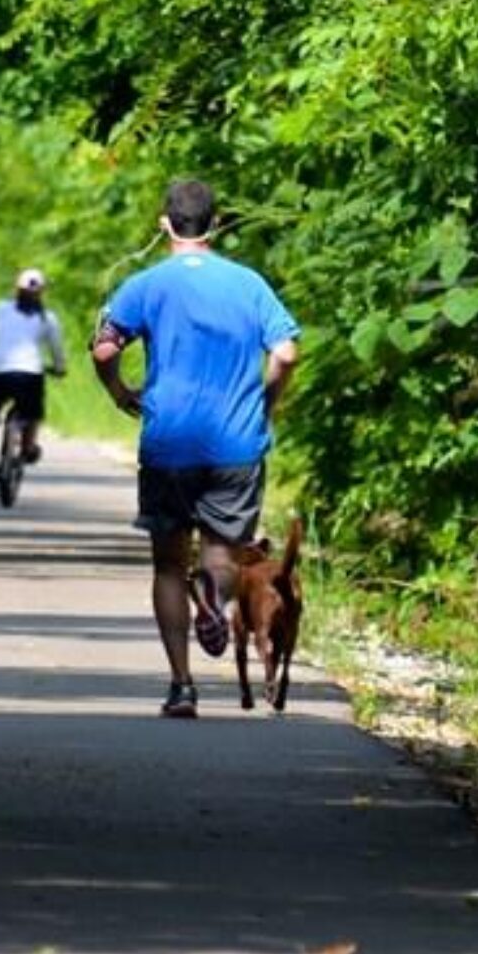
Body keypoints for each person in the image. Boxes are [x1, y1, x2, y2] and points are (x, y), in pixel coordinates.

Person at [90, 181, 302, 719]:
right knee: (222, 553)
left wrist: (120, 395)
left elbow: (103, 347)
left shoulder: (145, 285)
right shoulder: (249, 284)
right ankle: (212, 596)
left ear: (166, 224)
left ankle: (182, 684)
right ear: (218, 222)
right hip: (234, 442)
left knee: (166, 565)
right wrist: (266, 402)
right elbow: (286, 352)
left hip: (168, 443)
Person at [0, 267, 68, 468]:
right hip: (30, 372)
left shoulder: (0, 309)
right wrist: (59, 368)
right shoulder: (47, 318)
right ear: (41, 292)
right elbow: (56, 348)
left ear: (16, 289)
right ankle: (28, 447)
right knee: (34, 411)